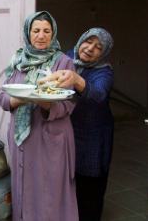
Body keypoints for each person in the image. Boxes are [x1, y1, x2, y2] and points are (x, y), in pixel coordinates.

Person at [0, 11, 78, 221]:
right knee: (23, 189)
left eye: (46, 31)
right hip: (21, 139)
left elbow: (67, 105)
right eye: (36, 30)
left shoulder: (64, 62)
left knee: (49, 193)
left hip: (50, 139)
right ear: (28, 33)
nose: (41, 36)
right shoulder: (17, 59)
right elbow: (3, 98)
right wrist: (21, 98)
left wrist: (41, 99)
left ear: (53, 34)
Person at [39, 28, 114, 221]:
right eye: (88, 42)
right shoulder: (67, 58)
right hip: (67, 129)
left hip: (93, 137)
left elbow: (99, 94)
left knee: (90, 185)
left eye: (98, 47)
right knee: (66, 179)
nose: (90, 49)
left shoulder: (104, 71)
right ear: (81, 40)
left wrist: (77, 79)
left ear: (103, 53)